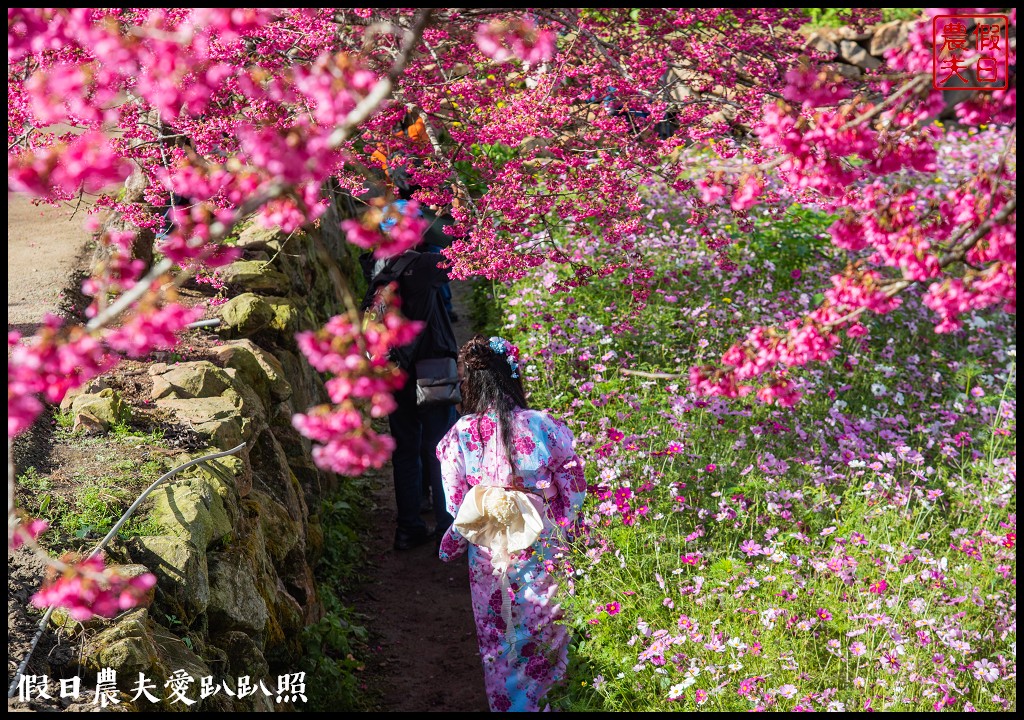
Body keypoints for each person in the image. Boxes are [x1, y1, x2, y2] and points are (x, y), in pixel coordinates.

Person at [436, 335, 587, 712]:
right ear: (513, 378)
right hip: (541, 544)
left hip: (489, 551)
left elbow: (456, 503)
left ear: (469, 384)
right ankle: (554, 703)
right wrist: (569, 529)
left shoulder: (461, 434)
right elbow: (573, 485)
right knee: (547, 628)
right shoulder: (543, 425)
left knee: (498, 636)